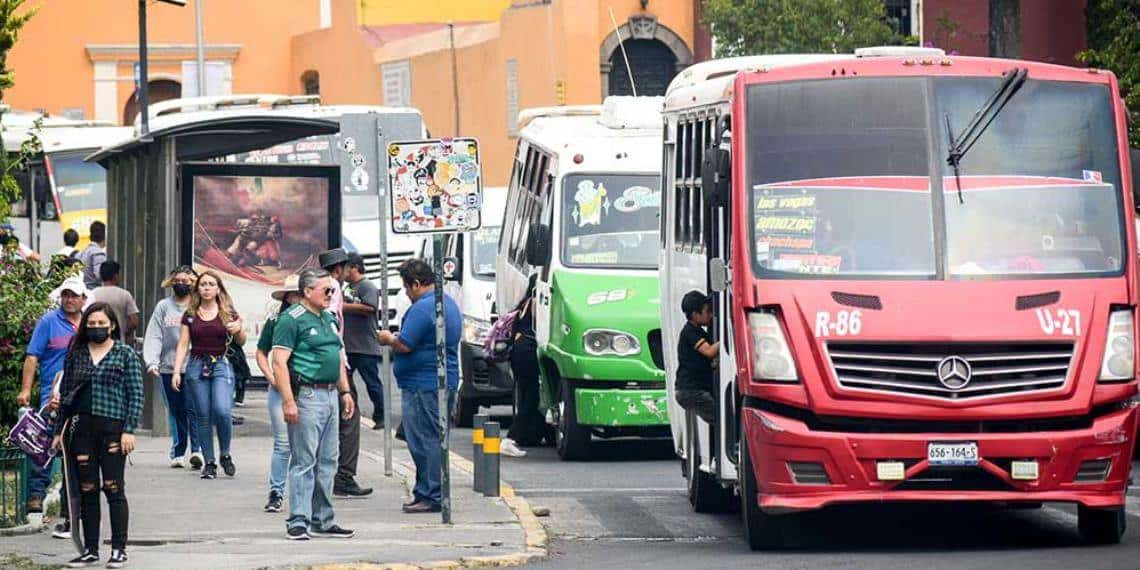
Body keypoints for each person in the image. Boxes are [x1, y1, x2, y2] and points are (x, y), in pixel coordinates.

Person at [52, 302, 144, 569]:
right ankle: (90, 550)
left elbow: (136, 394)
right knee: (86, 489)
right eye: (90, 324)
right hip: (81, 428)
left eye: (101, 324)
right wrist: (58, 432)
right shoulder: (76, 354)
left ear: (112, 325)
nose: (96, 329)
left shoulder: (125, 354)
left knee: (114, 488)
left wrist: (129, 430)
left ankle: (118, 549)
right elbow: (66, 395)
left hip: (113, 429)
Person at [272, 268, 356, 540]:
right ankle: (298, 519)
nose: (332, 295)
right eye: (326, 290)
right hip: (307, 394)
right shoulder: (291, 319)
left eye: (333, 290)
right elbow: (279, 362)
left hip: (331, 393)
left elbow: (336, 354)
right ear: (307, 292)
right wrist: (288, 401)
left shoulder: (329, 318)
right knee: (304, 460)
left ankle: (322, 519)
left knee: (328, 460)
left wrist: (345, 391)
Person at [377, 259, 460, 514]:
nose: (406, 293)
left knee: (425, 440)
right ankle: (427, 490)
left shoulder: (424, 308)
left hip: (424, 385)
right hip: (433, 381)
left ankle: (431, 493)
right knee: (430, 438)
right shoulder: (445, 302)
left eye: (406, 287)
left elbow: (405, 344)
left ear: (416, 283)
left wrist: (388, 338)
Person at [19, 276, 85, 537]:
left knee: (73, 449)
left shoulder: (90, 323)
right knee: (44, 447)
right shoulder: (48, 322)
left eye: (74, 295)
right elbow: (32, 356)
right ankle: (35, 498)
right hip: (52, 397)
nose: (70, 300)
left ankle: (67, 505)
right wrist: (26, 390)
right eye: (66, 295)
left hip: (80, 396)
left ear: (83, 298)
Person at [172, 269, 245, 480]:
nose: (206, 288)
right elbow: (183, 344)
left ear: (218, 288)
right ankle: (210, 461)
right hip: (196, 364)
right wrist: (178, 370)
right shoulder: (190, 315)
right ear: (197, 288)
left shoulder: (228, 312)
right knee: (202, 414)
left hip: (221, 363)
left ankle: (225, 454)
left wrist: (238, 328)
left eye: (211, 284)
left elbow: (240, 340)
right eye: (203, 284)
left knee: (222, 410)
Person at [318, 248, 370, 498]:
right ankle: (344, 476)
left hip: (323, 361)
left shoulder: (316, 286)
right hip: (334, 362)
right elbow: (331, 328)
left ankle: (328, 473)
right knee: (349, 417)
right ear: (339, 269)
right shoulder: (332, 288)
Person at [142, 266, 203, 470]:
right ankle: (178, 451)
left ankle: (197, 450)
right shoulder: (163, 307)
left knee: (193, 408)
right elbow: (155, 335)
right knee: (176, 410)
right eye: (178, 280)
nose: (182, 284)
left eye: (187, 281)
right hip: (168, 367)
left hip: (194, 366)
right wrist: (152, 361)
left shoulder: (198, 305)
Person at [334, 254, 379, 497]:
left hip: (350, 356)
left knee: (349, 413)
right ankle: (342, 476)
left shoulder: (356, 288)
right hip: (334, 368)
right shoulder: (333, 293)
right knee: (348, 418)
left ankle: (340, 475)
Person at [255, 274, 301, 514]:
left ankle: (301, 495)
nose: (297, 298)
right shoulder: (276, 321)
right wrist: (271, 377)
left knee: (304, 445)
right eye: (294, 294)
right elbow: (262, 352)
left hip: (306, 388)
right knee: (283, 444)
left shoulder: (318, 320)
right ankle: (276, 492)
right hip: (279, 389)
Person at [503, 275, 541, 456]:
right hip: (528, 353)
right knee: (531, 398)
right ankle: (511, 438)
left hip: (519, 352)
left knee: (526, 394)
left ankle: (528, 435)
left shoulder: (523, 304)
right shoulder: (535, 303)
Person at [675, 291, 719, 425]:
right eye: (707, 311)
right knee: (723, 420)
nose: (710, 315)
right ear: (695, 314)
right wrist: (727, 337)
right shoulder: (690, 332)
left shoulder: (699, 332)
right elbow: (710, 351)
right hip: (691, 391)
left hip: (693, 390)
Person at [91, 260, 141, 343]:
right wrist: (125, 331)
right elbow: (134, 321)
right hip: (118, 342)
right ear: (116, 276)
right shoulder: (125, 295)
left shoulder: (93, 294)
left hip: (96, 342)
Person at [77, 221, 107, 290]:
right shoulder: (97, 253)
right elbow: (100, 275)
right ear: (104, 236)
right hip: (93, 291)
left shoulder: (82, 252)